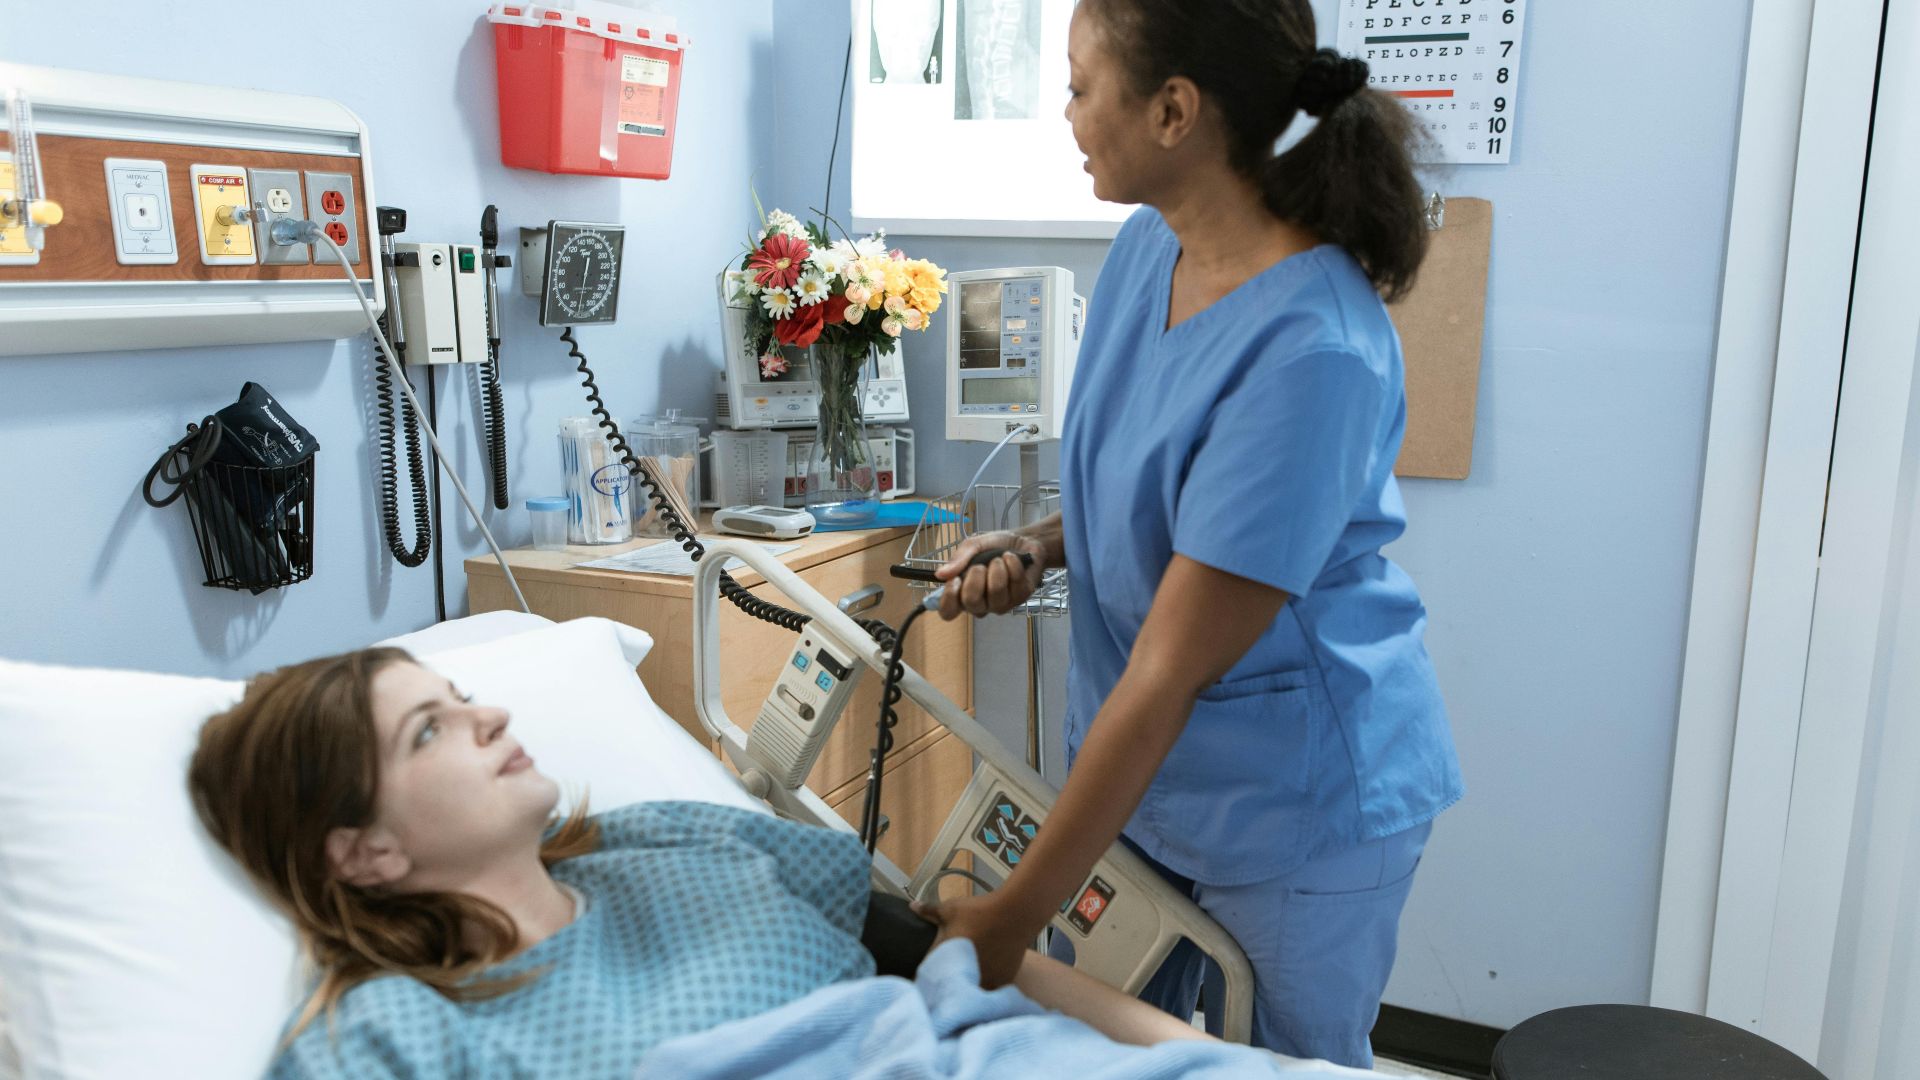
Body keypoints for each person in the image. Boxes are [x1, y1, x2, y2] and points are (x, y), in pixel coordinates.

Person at [918, 0, 1465, 1068]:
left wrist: (1011, 918)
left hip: (1295, 802)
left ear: (1174, 110)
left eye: (1080, 85)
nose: (1065, 113)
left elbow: (1169, 671)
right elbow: (1157, 491)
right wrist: (1035, 544)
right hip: (1153, 784)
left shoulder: (1315, 350)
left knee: (1276, 1067)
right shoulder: (1141, 253)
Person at [186, 647, 1248, 1078]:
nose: (490, 714)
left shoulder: (671, 841)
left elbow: (938, 948)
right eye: (431, 729)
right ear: (363, 851)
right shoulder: (393, 1033)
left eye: (464, 695)